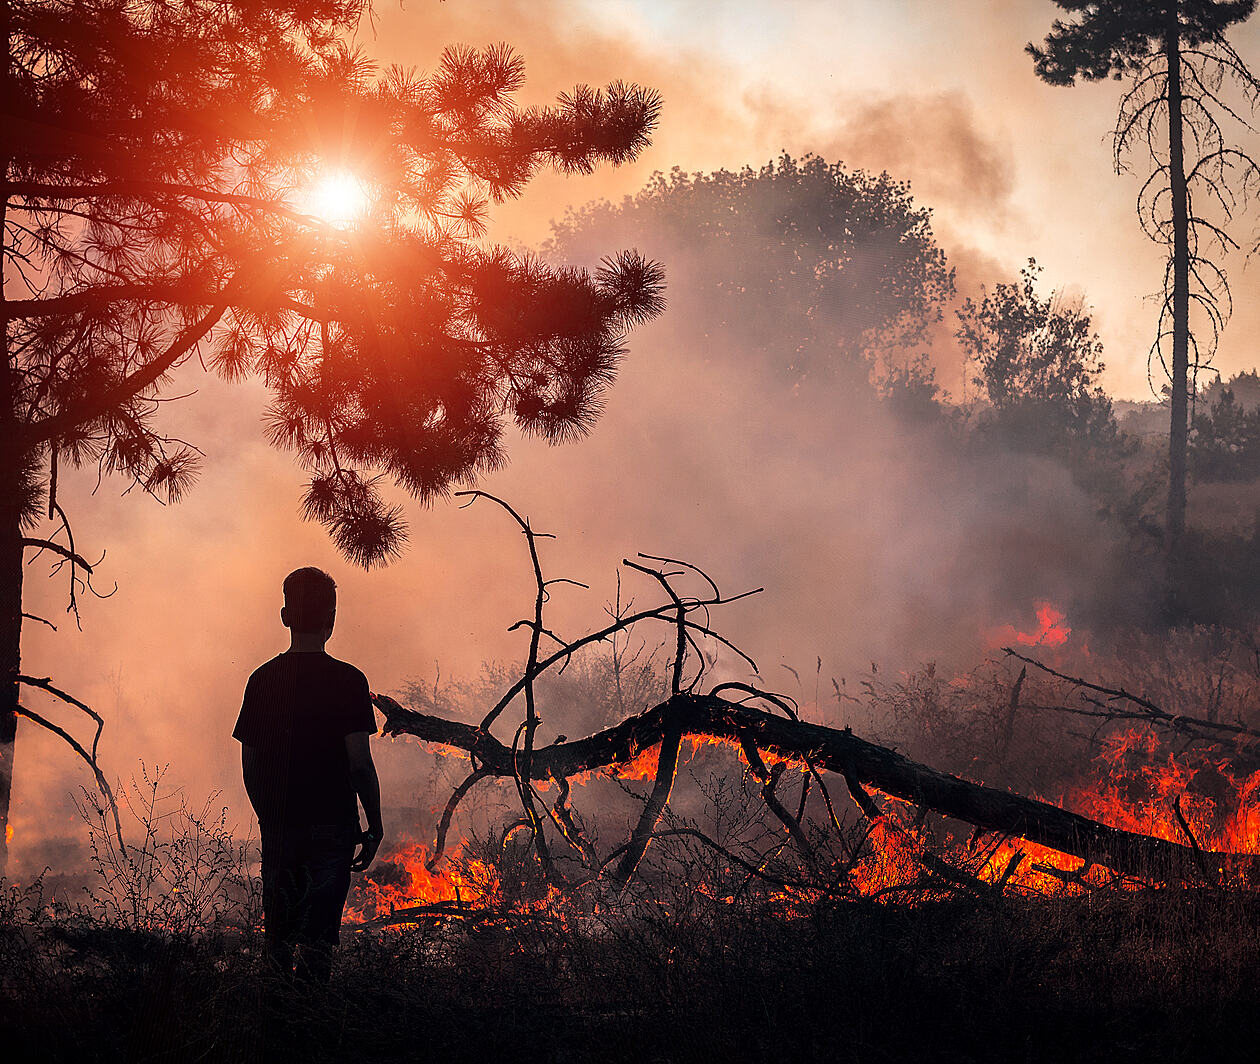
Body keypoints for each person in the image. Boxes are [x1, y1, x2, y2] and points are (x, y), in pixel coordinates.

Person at [233, 567, 383, 985]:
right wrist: (375, 823)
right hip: (333, 828)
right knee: (319, 946)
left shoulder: (262, 681)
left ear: (285, 616)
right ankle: (313, 1029)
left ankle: (277, 1026)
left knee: (278, 940)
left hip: (281, 825)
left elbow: (250, 764)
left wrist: (269, 816)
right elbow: (359, 765)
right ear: (331, 620)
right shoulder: (350, 681)